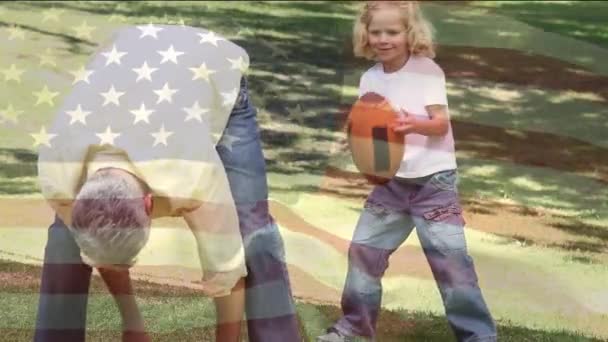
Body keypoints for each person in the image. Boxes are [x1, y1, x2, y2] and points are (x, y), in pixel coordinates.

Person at [34, 24, 301, 342]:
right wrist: (133, 322)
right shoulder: (58, 172)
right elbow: (99, 241)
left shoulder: (190, 174)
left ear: (149, 204)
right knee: (68, 239)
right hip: (128, 62)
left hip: (209, 64)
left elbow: (225, 265)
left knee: (251, 227)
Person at [317, 2, 497, 342]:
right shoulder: (369, 78)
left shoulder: (425, 70)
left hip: (434, 185)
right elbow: (369, 127)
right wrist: (355, 143)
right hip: (391, 185)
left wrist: (414, 124)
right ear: (365, 34)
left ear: (409, 33)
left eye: (393, 32)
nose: (384, 39)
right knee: (364, 251)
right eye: (376, 32)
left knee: (451, 264)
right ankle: (355, 327)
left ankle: (478, 336)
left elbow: (441, 124)